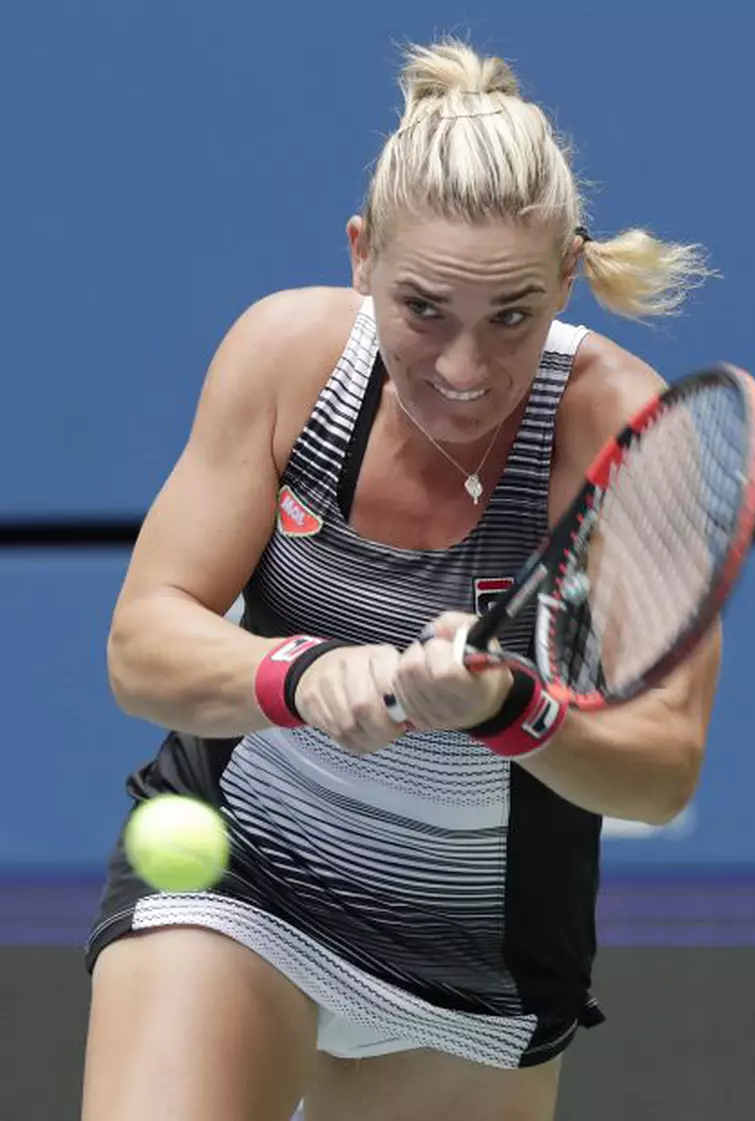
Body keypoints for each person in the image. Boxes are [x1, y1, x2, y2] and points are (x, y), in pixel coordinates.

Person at [81, 37, 722, 1121]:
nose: (465, 370)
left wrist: (510, 706)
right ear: (361, 254)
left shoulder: (626, 436)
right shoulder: (285, 360)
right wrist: (300, 670)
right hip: (243, 875)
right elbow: (142, 645)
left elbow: (662, 768)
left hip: (483, 958)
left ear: (570, 272)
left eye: (511, 314)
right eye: (424, 307)